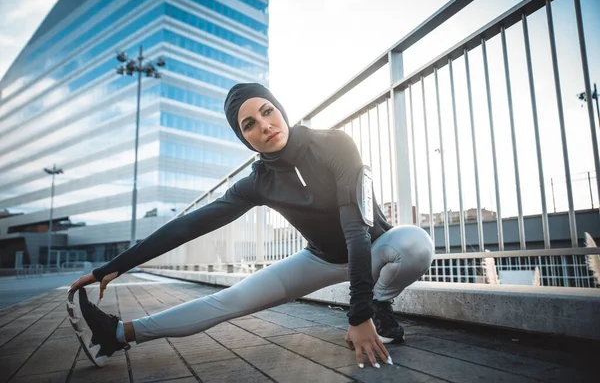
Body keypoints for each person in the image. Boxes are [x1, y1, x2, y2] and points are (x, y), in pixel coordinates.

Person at [67, 83, 434, 369]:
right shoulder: (257, 182)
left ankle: (381, 305)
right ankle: (117, 334)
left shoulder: (334, 144)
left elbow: (355, 229)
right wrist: (112, 267)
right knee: (228, 300)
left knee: (415, 243)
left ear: (280, 110)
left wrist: (361, 314)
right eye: (250, 125)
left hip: (375, 248)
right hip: (319, 258)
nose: (265, 126)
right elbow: (188, 226)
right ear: (244, 139)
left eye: (267, 111)